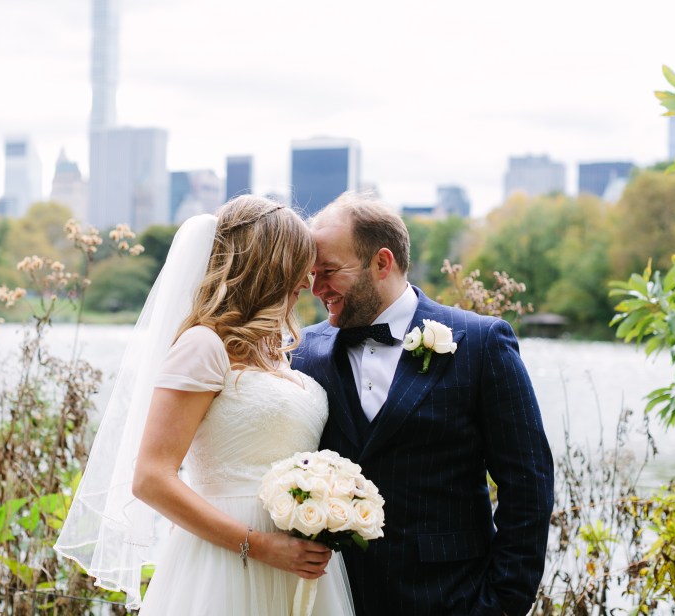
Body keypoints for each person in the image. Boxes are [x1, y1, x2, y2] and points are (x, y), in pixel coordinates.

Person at [55, 196, 355, 615]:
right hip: (227, 565)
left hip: (297, 563)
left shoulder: (275, 354)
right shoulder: (202, 345)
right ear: (268, 265)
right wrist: (261, 545)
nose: (307, 281)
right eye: (299, 264)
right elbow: (151, 478)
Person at [291, 192, 554, 616]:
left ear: (382, 262)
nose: (315, 288)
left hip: (451, 597)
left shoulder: (481, 343)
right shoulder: (304, 350)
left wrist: (502, 603)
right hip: (336, 598)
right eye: (311, 273)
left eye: (329, 272)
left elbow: (529, 484)